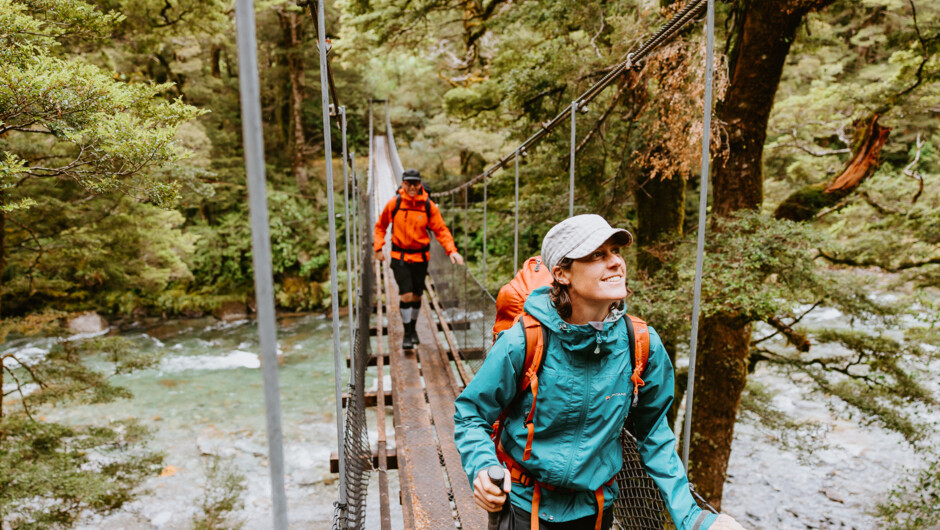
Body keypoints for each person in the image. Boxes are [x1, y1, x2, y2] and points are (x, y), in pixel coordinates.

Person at [454, 215, 745, 530]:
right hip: (525, 506)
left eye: (616, 252)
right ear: (562, 274)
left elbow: (654, 436)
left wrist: (694, 517)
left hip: (597, 511)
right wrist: (482, 467)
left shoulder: (641, 345)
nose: (616, 262)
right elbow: (471, 413)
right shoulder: (525, 341)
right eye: (597, 255)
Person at [374, 169, 464, 349]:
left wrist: (451, 250)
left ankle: (412, 328)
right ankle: (407, 334)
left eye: (416, 183)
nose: (413, 187)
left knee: (417, 296)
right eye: (409, 183)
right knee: (406, 294)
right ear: (403, 184)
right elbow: (380, 226)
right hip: (399, 257)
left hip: (421, 257)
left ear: (420, 184)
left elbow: (441, 230)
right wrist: (378, 247)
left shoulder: (428, 206)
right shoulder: (395, 203)